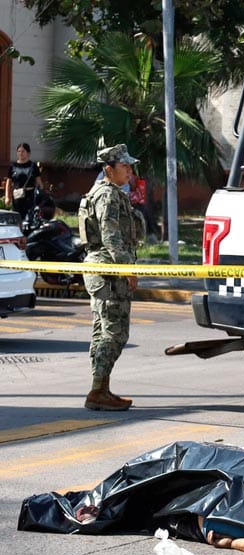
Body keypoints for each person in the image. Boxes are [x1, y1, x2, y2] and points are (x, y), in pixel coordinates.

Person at [79, 144, 145, 411]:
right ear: (109, 169)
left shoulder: (104, 193)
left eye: (130, 165)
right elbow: (111, 237)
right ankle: (97, 391)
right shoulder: (106, 196)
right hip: (108, 271)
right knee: (114, 333)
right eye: (124, 166)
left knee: (102, 331)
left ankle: (101, 388)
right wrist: (127, 270)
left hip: (102, 270)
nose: (129, 170)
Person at [4, 142, 44, 222]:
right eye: (19, 151)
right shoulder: (13, 166)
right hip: (17, 196)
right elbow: (8, 182)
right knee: (16, 218)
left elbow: (39, 182)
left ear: (28, 153)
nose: (20, 153)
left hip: (29, 196)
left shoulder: (33, 166)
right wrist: (7, 197)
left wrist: (41, 193)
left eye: (23, 151)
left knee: (29, 218)